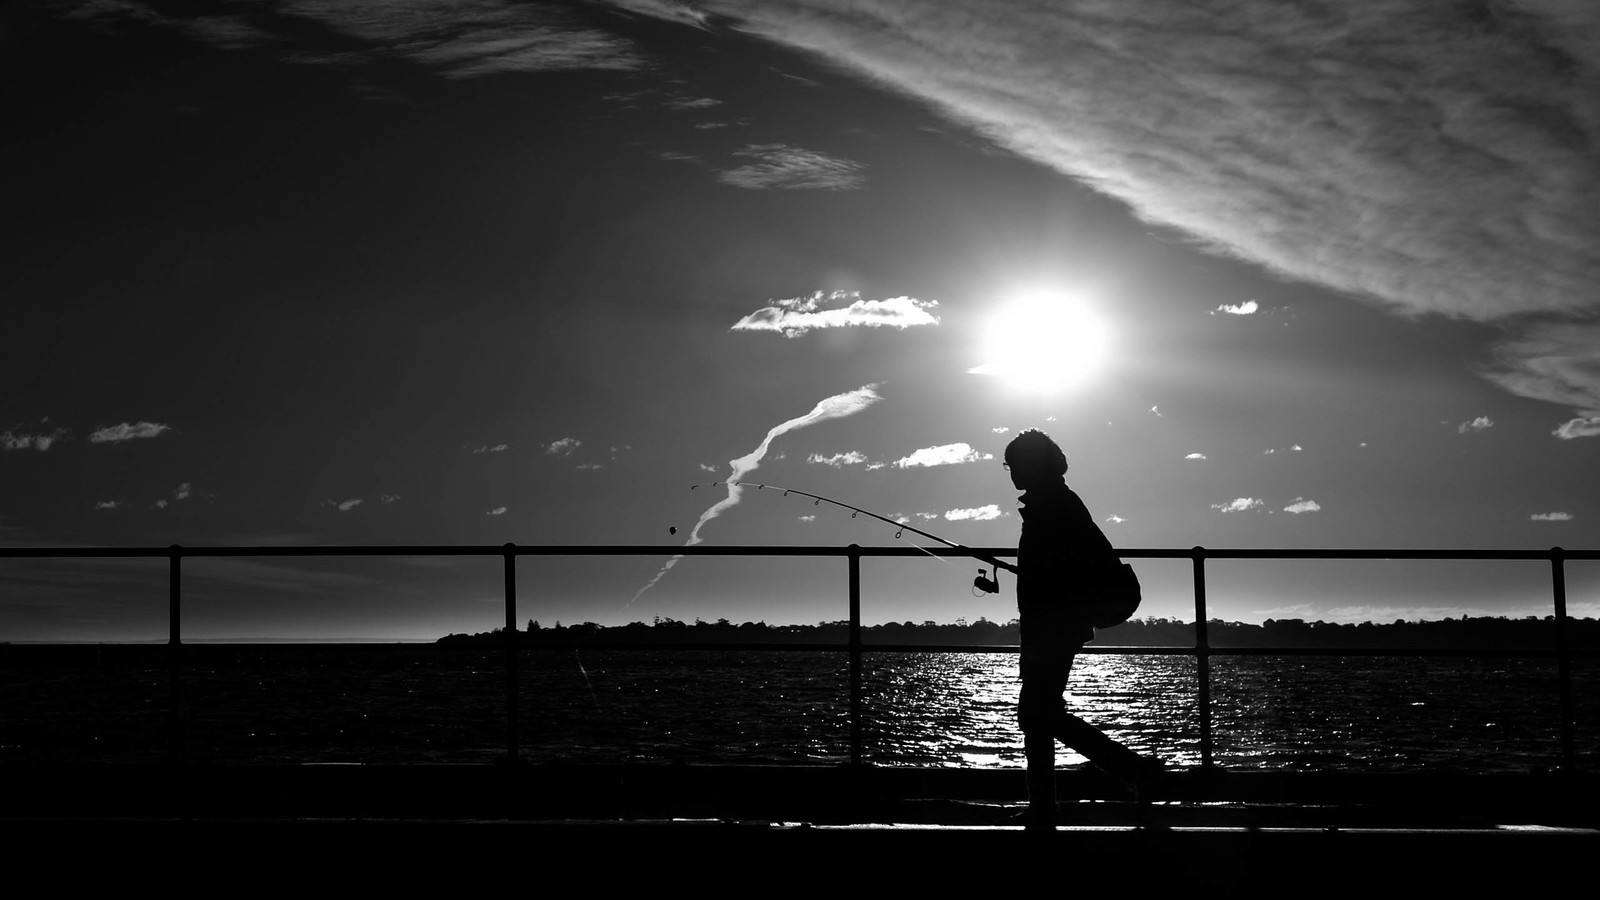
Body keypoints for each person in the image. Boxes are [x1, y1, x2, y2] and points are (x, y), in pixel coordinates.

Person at [1005, 428, 1161, 830]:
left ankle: (1133, 771)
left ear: (1030, 465)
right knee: (1040, 714)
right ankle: (1048, 805)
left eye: (1013, 464)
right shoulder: (1055, 501)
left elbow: (1057, 571)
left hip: (1052, 627)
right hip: (1053, 624)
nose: (1011, 472)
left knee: (1038, 714)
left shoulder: (1052, 506)